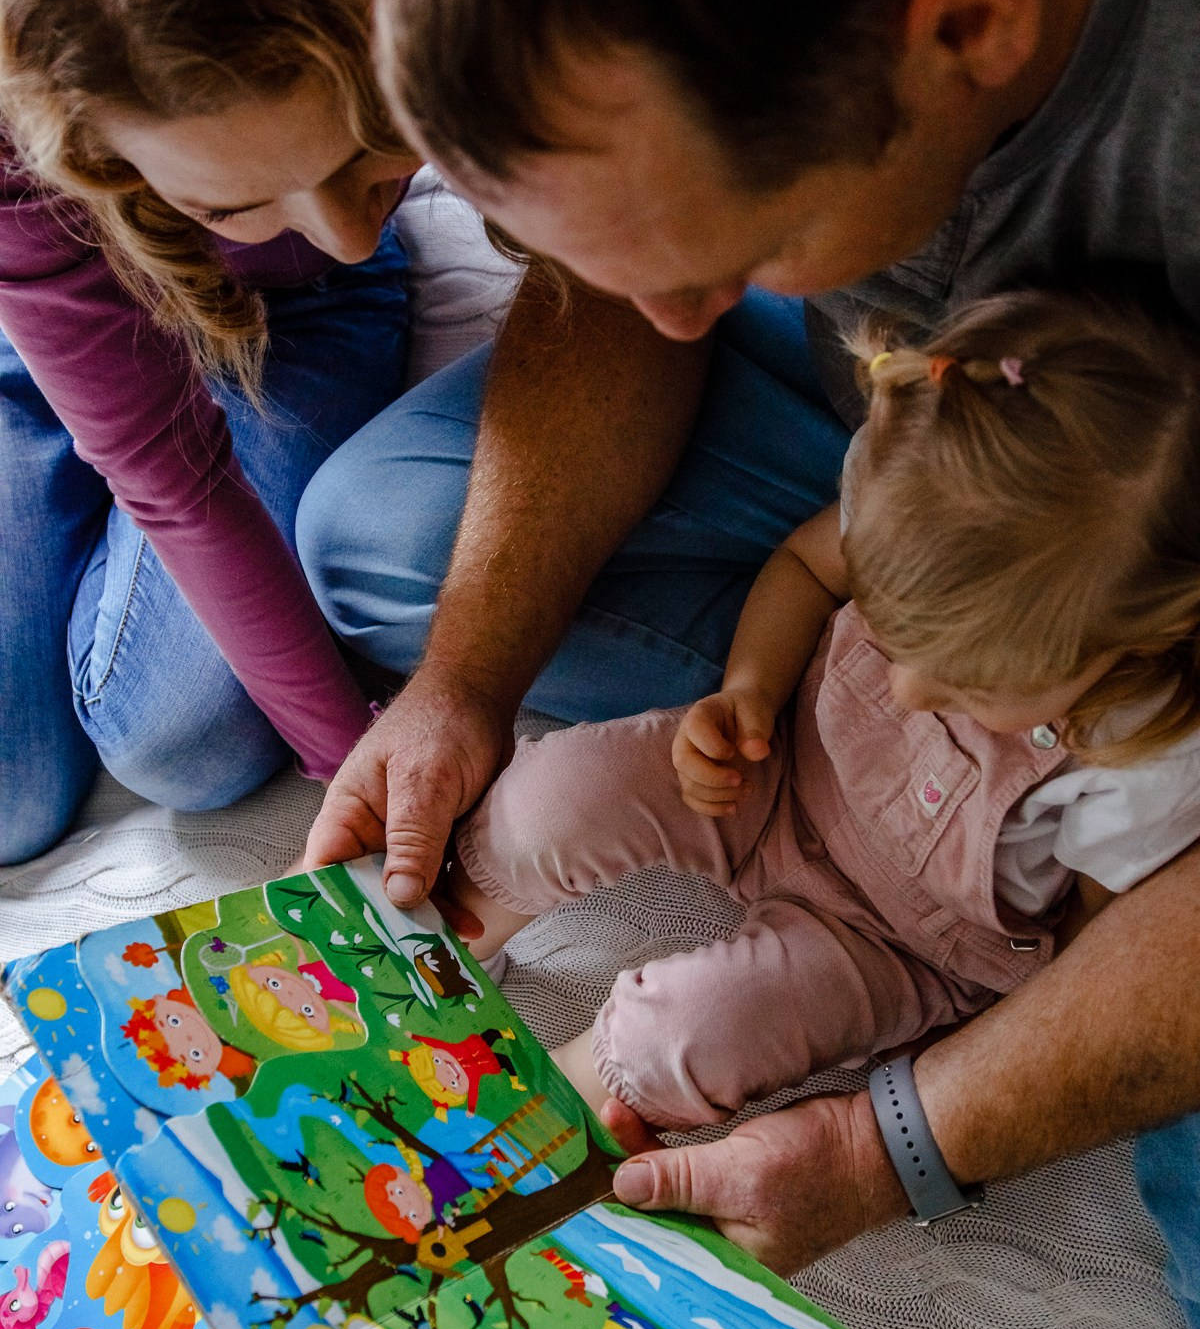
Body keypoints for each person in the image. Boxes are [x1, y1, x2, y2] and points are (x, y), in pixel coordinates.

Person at [336, 0, 1200, 1329]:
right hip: (901, 488)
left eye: (726, 258)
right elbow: (622, 297)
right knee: (383, 554)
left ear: (971, 22)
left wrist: (900, 1144)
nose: (678, 317)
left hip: (1087, 613)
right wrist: (463, 688)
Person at [445, 296, 1200, 1126]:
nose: (908, 691)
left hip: (898, 946)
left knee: (683, 1036)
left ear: (1131, 642)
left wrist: (972, 1061)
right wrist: (748, 692)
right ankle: (427, 955)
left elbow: (1091, 951)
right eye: (888, 628)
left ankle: (515, 1125)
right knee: (550, 800)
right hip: (777, 772)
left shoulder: (1147, 758)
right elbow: (805, 568)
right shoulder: (918, 496)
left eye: (968, 688)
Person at [0, 0, 422, 864]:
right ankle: (45, 388)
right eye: (234, 201)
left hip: (293, 326)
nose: (347, 230)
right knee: (7, 796)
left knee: (183, 744)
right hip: (56, 305)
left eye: (374, 163)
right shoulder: (33, 145)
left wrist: (353, 769)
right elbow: (170, 480)